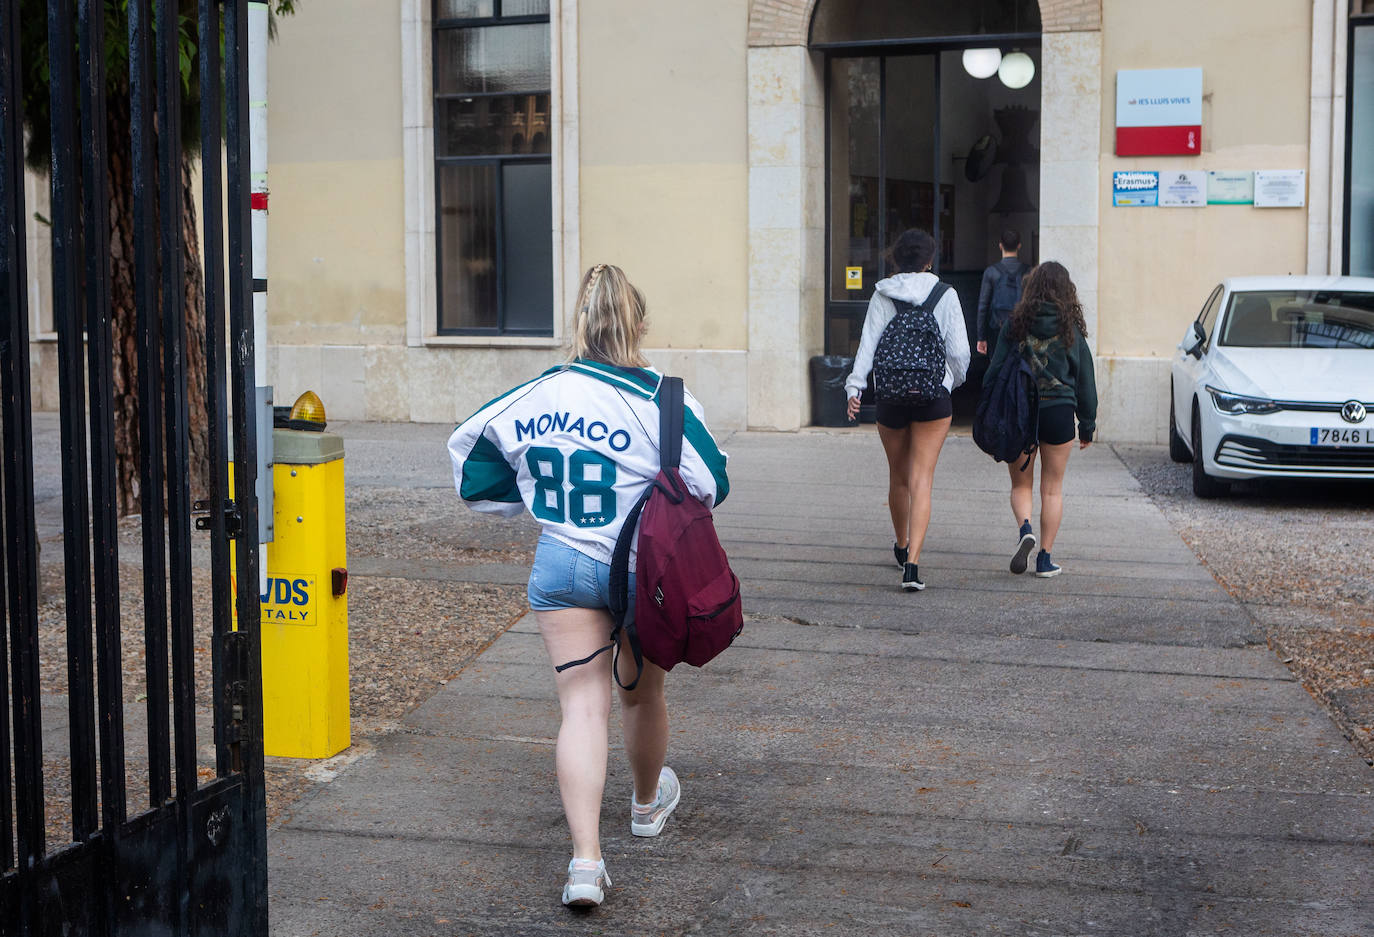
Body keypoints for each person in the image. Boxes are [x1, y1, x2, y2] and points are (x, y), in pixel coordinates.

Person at [446, 263, 730, 908]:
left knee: (580, 708)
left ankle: (584, 864)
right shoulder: (665, 399)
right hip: (642, 574)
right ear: (639, 324)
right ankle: (646, 804)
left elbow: (470, 460)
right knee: (641, 695)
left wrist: (521, 499)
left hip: (561, 565)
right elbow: (714, 483)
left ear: (577, 323)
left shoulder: (533, 394)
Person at [843, 229, 970, 592]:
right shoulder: (945, 294)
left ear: (897, 260)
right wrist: (949, 382)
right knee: (922, 480)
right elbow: (959, 352)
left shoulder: (883, 293)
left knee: (897, 476)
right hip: (934, 397)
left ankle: (900, 545)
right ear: (929, 260)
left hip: (891, 398)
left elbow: (867, 344)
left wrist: (856, 387)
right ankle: (912, 565)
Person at [984, 261, 1097, 578]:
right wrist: (1086, 425)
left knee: (1021, 483)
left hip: (1021, 411)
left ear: (1030, 288)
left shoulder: (1014, 326)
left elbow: (994, 372)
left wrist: (991, 409)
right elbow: (1086, 380)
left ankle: (1025, 530)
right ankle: (1045, 559)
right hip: (1059, 413)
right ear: (1067, 292)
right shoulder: (1070, 331)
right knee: (1053, 489)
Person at [976, 229, 1029, 362]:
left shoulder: (991, 272)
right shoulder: (1028, 271)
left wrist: (981, 337)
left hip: (997, 329)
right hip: (1022, 329)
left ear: (1000, 246)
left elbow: (983, 307)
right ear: (1019, 246)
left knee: (997, 366)